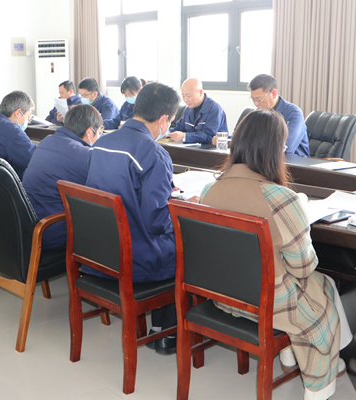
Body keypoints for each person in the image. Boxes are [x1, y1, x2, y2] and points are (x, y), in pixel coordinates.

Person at [199, 109, 351, 400]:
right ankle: (319, 386)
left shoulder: (209, 191)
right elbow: (303, 267)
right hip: (268, 304)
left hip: (222, 296)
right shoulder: (282, 199)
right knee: (321, 287)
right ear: (273, 150)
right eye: (282, 145)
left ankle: (296, 357)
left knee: (320, 287)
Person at [85, 82, 182, 355]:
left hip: (99, 251)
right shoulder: (154, 153)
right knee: (187, 243)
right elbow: (155, 221)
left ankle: (159, 328)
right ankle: (167, 334)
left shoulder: (102, 143)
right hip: (133, 258)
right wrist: (179, 211)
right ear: (163, 120)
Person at [23, 104, 102, 249]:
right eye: (99, 132)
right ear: (89, 131)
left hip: (27, 225)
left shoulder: (47, 141)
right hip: (51, 231)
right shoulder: (84, 155)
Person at [246, 74, 309, 156]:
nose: (256, 104)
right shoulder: (257, 113)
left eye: (259, 99)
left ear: (274, 93)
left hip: (292, 161)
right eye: (253, 99)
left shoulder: (294, 114)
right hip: (263, 159)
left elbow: (286, 147)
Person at [168, 78, 228, 144]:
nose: (185, 100)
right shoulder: (189, 109)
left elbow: (209, 136)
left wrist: (185, 136)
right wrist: (166, 133)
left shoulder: (214, 109)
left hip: (211, 149)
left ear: (200, 92)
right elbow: (179, 128)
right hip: (192, 148)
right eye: (183, 96)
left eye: (188, 96)